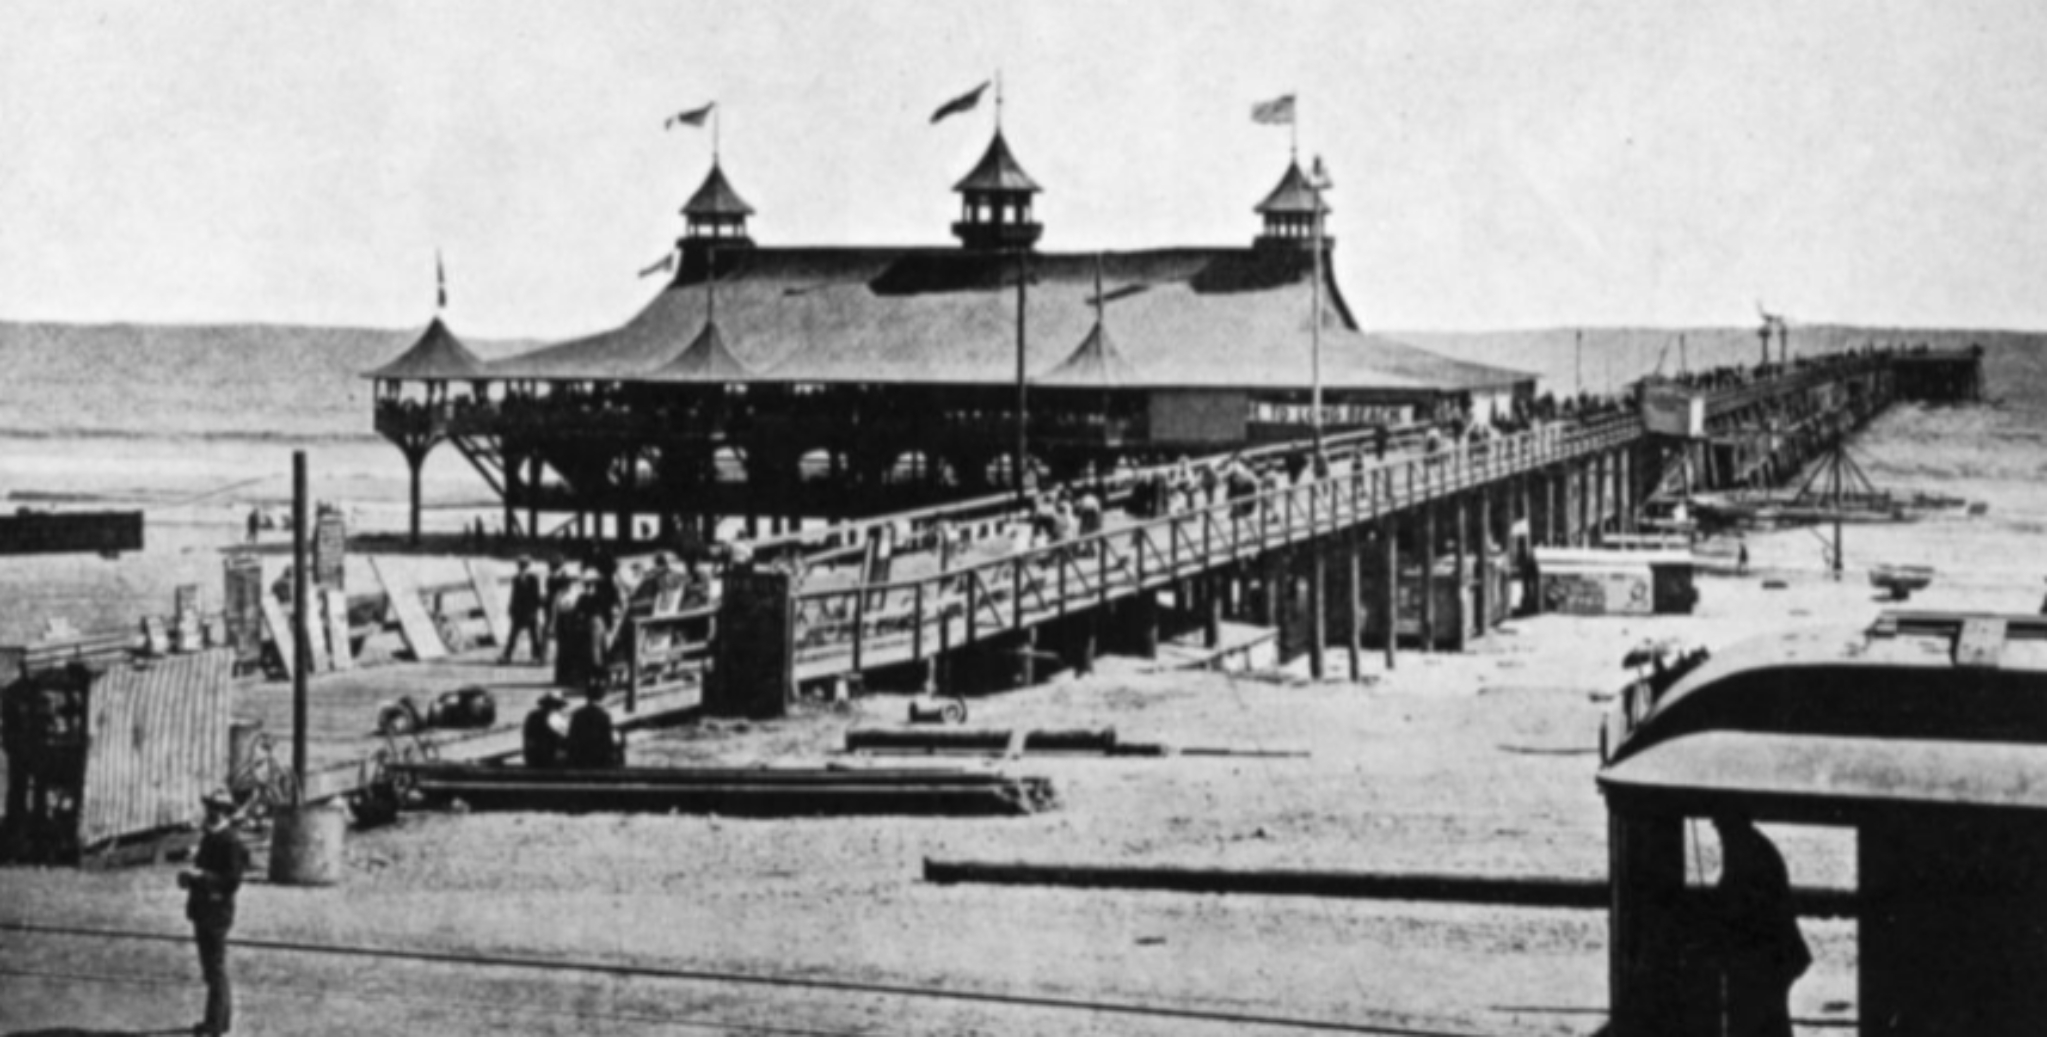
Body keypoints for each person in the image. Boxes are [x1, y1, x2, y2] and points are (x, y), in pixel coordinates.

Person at [1711, 815, 1810, 1037]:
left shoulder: (1744, 850)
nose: (1715, 828)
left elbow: (1741, 903)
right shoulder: (1753, 846)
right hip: (1768, 958)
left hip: (1759, 960)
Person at [179, 788, 249, 1037]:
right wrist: (189, 879)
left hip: (217, 911)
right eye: (210, 808)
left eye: (217, 809)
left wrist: (203, 878)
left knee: (215, 968)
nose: (212, 813)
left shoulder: (230, 841)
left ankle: (215, 1024)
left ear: (226, 812)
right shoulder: (210, 837)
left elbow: (232, 880)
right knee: (211, 968)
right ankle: (220, 1021)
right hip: (202, 908)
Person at [563, 685, 620, 768]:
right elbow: (607, 738)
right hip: (598, 756)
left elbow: (572, 736)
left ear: (587, 698)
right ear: (602, 698)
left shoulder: (578, 714)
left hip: (580, 756)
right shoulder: (603, 716)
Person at [501, 557, 545, 664]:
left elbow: (536, 595)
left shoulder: (533, 579)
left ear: (527, 566)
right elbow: (514, 595)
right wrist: (511, 608)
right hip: (518, 612)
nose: (522, 568)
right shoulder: (515, 579)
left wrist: (535, 610)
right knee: (512, 635)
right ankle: (507, 656)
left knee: (534, 635)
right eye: (520, 566)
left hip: (530, 611)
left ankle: (536, 657)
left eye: (524, 566)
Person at [522, 690, 568, 769]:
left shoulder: (532, 716)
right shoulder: (556, 718)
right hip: (550, 760)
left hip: (533, 759)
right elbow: (564, 739)